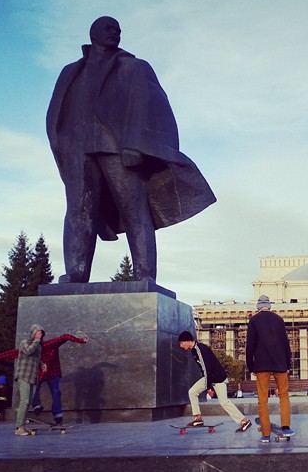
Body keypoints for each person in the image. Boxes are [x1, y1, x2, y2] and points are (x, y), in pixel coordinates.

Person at [46, 16, 215, 284]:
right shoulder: (70, 71)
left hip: (116, 147)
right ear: (93, 34)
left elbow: (147, 108)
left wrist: (135, 144)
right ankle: (76, 273)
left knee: (135, 209)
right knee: (79, 211)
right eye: (109, 29)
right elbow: (57, 111)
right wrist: (61, 146)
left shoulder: (134, 68)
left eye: (118, 30)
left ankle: (144, 274)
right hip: (77, 149)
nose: (115, 34)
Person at [0, 333, 89, 426]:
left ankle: (58, 416)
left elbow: (65, 337)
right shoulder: (32, 350)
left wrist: (80, 340)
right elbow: (15, 352)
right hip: (40, 373)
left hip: (53, 372)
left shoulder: (49, 344)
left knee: (56, 392)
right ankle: (37, 405)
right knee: (34, 389)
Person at [177, 331, 252, 432]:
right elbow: (204, 370)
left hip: (218, 378)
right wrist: (208, 384)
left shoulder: (199, 349)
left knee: (224, 402)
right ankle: (198, 418)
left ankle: (245, 421)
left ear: (187, 341)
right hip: (210, 378)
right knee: (192, 392)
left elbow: (206, 368)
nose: (181, 346)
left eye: (181, 343)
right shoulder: (194, 350)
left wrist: (209, 387)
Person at [246, 295, 292, 443]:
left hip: (262, 364)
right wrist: (288, 364)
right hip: (280, 363)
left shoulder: (254, 320)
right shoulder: (279, 319)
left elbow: (250, 345)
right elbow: (285, 343)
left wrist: (250, 365)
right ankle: (285, 427)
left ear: (258, 307)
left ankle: (266, 434)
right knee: (283, 395)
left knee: (262, 399)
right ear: (269, 306)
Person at [13, 324, 46, 436]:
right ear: (33, 333)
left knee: (27, 402)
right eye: (38, 332)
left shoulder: (39, 346)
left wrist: (41, 365)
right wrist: (36, 340)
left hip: (32, 376)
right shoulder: (25, 342)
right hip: (23, 375)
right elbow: (28, 351)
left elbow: (36, 358)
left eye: (41, 333)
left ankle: (22, 426)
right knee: (24, 401)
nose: (40, 334)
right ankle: (19, 427)